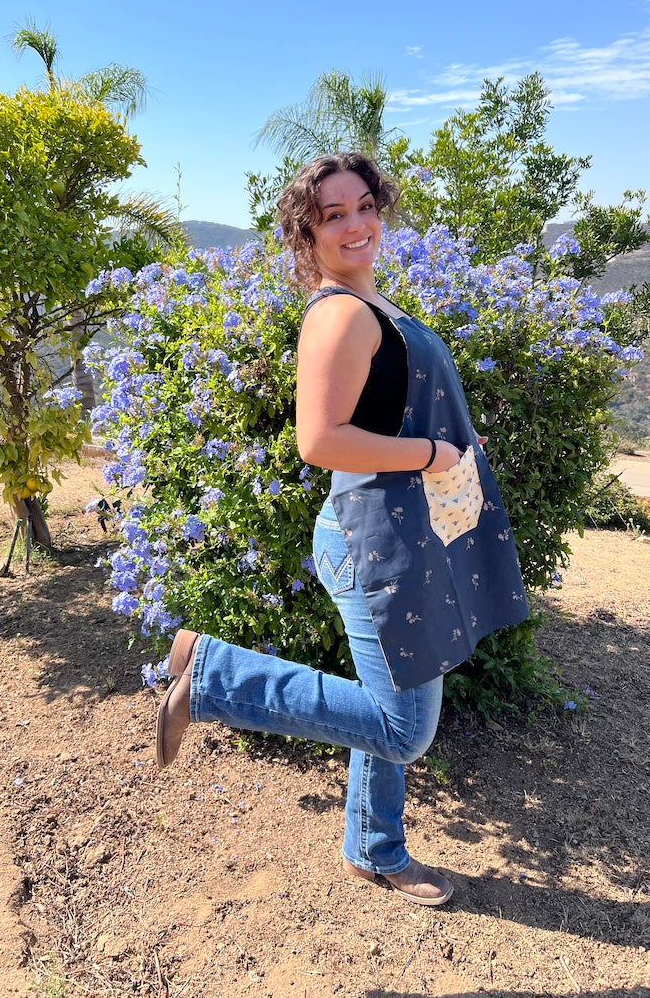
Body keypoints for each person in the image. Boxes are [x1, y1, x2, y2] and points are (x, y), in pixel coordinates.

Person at [155, 152, 529, 907]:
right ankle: (214, 676)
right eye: (334, 216)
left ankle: (373, 845)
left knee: (381, 704)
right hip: (370, 543)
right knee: (402, 728)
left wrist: (451, 446)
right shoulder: (339, 315)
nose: (357, 224)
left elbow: (386, 413)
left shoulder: (375, 304)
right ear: (309, 235)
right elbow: (319, 439)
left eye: (365, 205)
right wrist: (430, 452)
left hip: (395, 533)